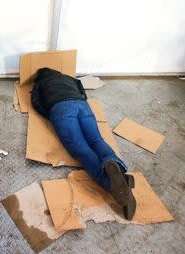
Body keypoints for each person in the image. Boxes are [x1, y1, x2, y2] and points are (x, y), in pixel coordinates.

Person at [31, 67, 136, 220]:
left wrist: (52, 115)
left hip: (60, 109)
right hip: (82, 105)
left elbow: (36, 102)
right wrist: (80, 102)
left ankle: (110, 184)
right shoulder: (69, 78)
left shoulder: (41, 83)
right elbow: (82, 91)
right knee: (96, 140)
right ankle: (117, 168)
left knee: (80, 148)